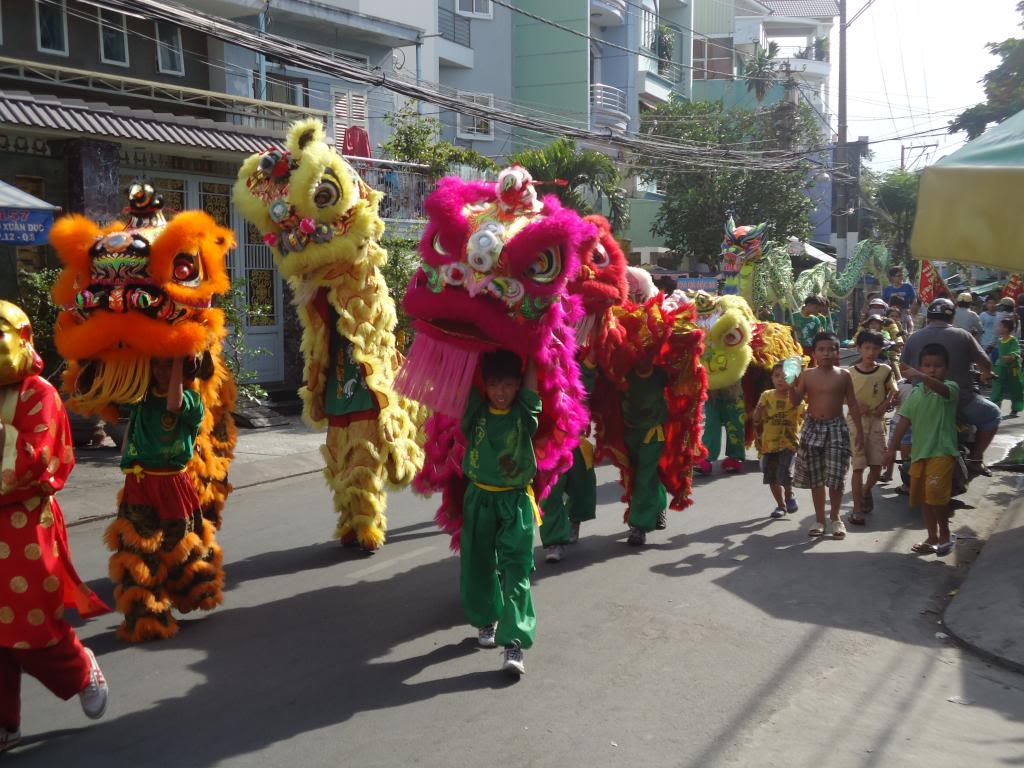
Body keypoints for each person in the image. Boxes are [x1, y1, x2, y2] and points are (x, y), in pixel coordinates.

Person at [0, 301, 109, 752]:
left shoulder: (39, 394)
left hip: (24, 526)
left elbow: (35, 462)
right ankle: (6, 722)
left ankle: (80, 669)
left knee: (29, 629)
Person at [107, 356, 223, 642]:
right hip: (139, 483)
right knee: (138, 551)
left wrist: (178, 359)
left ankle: (185, 594)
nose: (160, 371)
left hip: (173, 483)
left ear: (183, 369)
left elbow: (173, 403)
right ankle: (147, 617)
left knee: (176, 548)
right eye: (156, 365)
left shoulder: (192, 402)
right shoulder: (140, 398)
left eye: (168, 366)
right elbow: (111, 396)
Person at [460, 350, 540, 677]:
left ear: (518, 385)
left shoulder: (524, 412)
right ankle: (486, 619)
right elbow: (463, 376)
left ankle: (514, 644)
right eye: (494, 384)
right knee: (478, 565)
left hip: (515, 501)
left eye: (508, 384)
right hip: (479, 498)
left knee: (516, 571)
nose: (501, 392)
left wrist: (536, 339)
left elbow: (533, 378)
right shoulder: (475, 410)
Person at [900, 297, 998, 478]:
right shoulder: (963, 335)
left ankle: (908, 472)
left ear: (929, 317)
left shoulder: (914, 337)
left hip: (923, 400)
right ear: (952, 318)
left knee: (906, 426)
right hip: (962, 400)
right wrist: (985, 374)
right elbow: (984, 362)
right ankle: (976, 460)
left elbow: (902, 368)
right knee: (993, 415)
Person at [884, 345, 959, 556]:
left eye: (937, 366)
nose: (932, 369)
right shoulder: (916, 394)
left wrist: (920, 376)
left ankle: (945, 534)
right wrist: (891, 449)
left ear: (946, 368)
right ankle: (932, 537)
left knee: (935, 494)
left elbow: (943, 390)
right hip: (919, 453)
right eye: (927, 366)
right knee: (924, 498)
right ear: (920, 366)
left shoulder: (951, 387)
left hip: (942, 451)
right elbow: (903, 421)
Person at [790, 332, 864, 538]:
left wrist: (859, 432)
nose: (827, 353)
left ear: (838, 353)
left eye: (831, 349)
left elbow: (853, 403)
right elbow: (795, 401)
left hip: (837, 428)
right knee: (816, 477)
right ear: (814, 353)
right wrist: (791, 386)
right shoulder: (806, 375)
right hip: (812, 428)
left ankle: (836, 519)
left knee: (836, 476)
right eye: (821, 349)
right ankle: (820, 520)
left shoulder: (844, 375)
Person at [846, 331, 897, 525]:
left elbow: (894, 392)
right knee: (858, 466)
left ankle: (866, 491)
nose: (871, 352)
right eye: (867, 348)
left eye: (876, 348)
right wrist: (855, 405)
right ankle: (857, 509)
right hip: (855, 422)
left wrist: (885, 405)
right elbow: (842, 396)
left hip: (877, 422)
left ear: (881, 350)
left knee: (876, 466)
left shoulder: (885, 370)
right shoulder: (849, 373)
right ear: (859, 348)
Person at [622, 362, 669, 546]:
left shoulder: (662, 369)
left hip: (653, 430)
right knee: (635, 475)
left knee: (645, 476)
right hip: (627, 430)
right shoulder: (621, 365)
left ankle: (639, 527)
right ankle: (658, 507)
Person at [752, 362, 804, 519]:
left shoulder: (796, 399)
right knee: (772, 477)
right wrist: (759, 410)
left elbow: (805, 415)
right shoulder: (766, 395)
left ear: (794, 379)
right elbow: (755, 420)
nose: (781, 379)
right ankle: (781, 505)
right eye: (777, 376)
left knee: (784, 473)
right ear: (772, 378)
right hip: (769, 444)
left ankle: (789, 496)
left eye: (785, 376)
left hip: (788, 444)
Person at [991, 318, 1023, 417]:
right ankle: (995, 409)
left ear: (1006, 328)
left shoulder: (1012, 340)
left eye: (1000, 326)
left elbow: (1016, 351)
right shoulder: (1000, 340)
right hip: (1001, 367)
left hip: (1013, 369)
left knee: (1015, 388)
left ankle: (1015, 408)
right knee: (997, 387)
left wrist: (1011, 356)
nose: (998, 328)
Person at [979, 295, 1001, 361]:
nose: (992, 305)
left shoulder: (999, 315)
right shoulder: (982, 315)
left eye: (993, 303)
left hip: (997, 344)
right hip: (985, 344)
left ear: (996, 304)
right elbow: (979, 329)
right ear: (986, 304)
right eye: (989, 303)